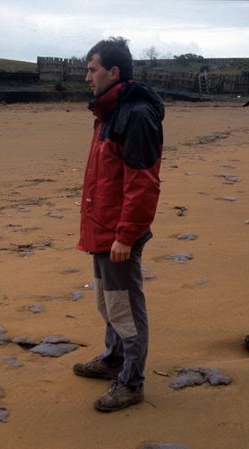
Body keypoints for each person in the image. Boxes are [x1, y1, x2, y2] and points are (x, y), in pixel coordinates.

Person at [74, 37, 164, 412]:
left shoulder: (136, 114)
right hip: (102, 227)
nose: (86, 77)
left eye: (92, 69)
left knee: (125, 307)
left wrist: (126, 235)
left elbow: (142, 182)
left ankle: (131, 381)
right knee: (107, 303)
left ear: (113, 72)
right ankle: (113, 360)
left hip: (119, 233)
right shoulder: (109, 112)